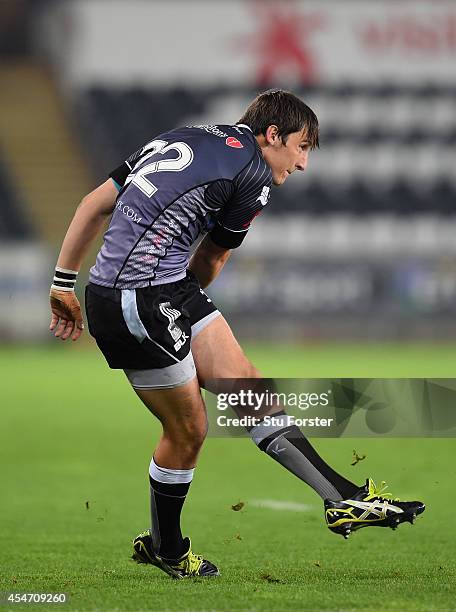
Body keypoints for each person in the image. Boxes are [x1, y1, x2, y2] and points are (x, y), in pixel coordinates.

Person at [49, 89, 424, 579]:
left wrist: (62, 280)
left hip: (156, 285)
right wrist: (179, 305)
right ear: (273, 135)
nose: (303, 163)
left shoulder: (183, 135)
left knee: (248, 387)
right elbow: (211, 259)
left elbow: (94, 204)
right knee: (189, 430)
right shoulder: (252, 175)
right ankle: (167, 547)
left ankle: (342, 498)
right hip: (133, 299)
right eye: (302, 147)